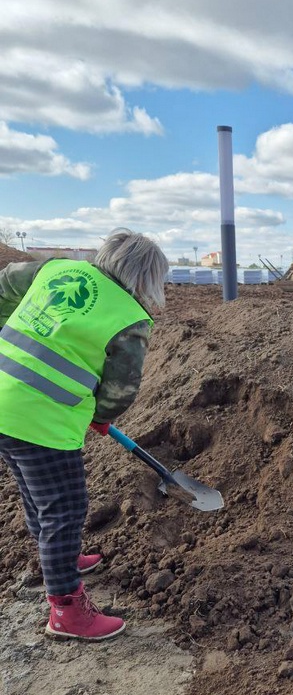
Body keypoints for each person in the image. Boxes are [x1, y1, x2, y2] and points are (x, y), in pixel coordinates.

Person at [0, 230, 169, 639]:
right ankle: (67, 612)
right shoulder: (128, 318)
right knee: (65, 508)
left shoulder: (57, 269)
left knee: (35, 494)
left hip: (4, 401)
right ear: (147, 278)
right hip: (42, 423)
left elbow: (5, 282)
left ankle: (55, 560)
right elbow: (120, 389)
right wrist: (101, 415)